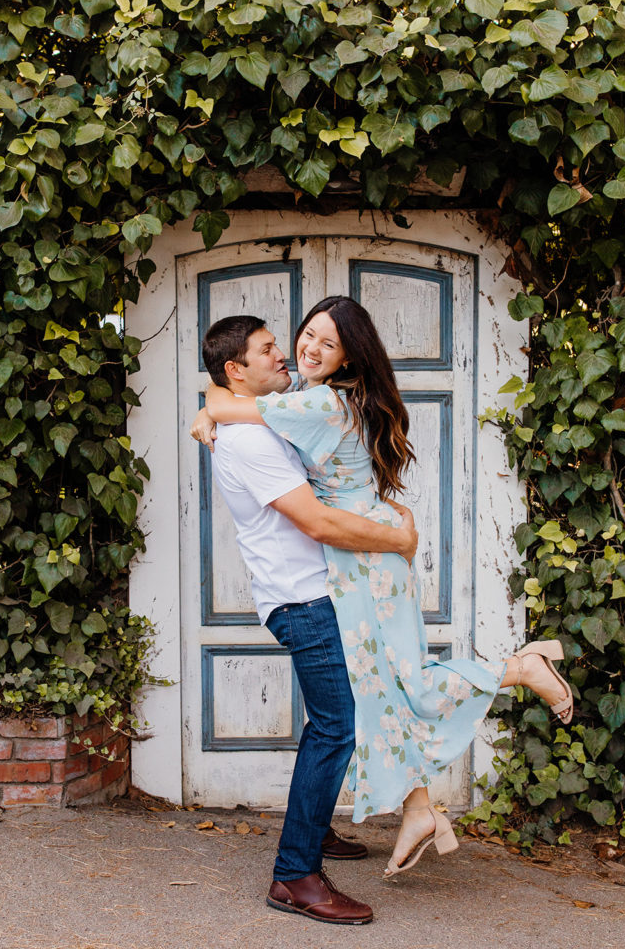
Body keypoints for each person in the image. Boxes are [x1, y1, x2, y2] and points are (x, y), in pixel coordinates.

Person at [198, 296, 574, 879]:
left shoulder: (320, 401)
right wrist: (210, 409)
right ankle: (418, 809)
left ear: (349, 355)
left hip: (364, 556)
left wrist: (211, 411)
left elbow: (235, 402)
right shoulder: (313, 391)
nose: (303, 350)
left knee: (404, 685)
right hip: (359, 554)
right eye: (304, 336)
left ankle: (519, 670)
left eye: (327, 342)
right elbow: (232, 393)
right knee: (380, 688)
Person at [192, 314, 421, 926]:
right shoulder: (249, 441)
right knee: (336, 725)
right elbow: (318, 523)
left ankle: (314, 833)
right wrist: (395, 541)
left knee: (332, 721)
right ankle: (295, 875)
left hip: (319, 591)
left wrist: (209, 407)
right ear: (238, 368)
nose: (285, 356)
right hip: (303, 600)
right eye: (269, 351)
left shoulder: (268, 417)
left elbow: (223, 400)